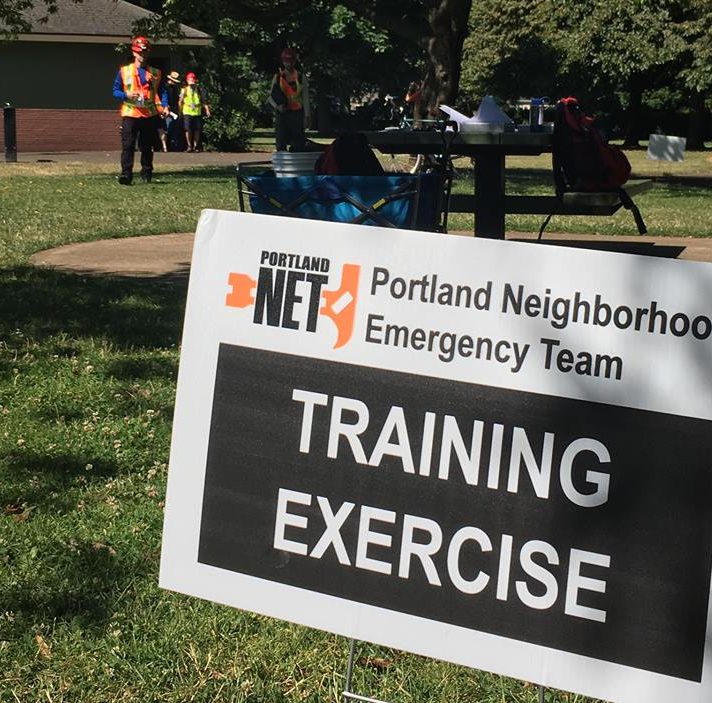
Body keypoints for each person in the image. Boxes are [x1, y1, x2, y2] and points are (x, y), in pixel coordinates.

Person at [112, 36, 168, 185]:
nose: (142, 55)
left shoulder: (155, 72)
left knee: (147, 146)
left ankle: (147, 173)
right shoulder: (124, 71)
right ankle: (126, 174)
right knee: (128, 145)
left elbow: (162, 91)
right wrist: (126, 95)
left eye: (145, 52)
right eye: (139, 52)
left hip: (149, 114)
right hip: (131, 113)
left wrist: (165, 105)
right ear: (134, 52)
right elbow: (115, 91)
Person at [267, 47, 310, 152]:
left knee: (298, 144)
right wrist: (277, 107)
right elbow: (270, 97)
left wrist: (307, 116)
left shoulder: (301, 77)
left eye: (291, 61)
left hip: (297, 114)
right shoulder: (278, 77)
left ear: (294, 61)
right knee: (281, 144)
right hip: (282, 114)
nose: (289, 64)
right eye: (286, 61)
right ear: (283, 62)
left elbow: (305, 98)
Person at [179, 72, 211, 152]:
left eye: (193, 82)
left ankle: (196, 146)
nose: (192, 85)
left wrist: (207, 110)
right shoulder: (184, 89)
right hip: (187, 111)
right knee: (187, 129)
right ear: (187, 81)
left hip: (197, 112)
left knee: (197, 129)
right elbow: (180, 101)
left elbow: (204, 100)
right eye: (190, 82)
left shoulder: (199, 89)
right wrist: (180, 111)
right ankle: (189, 145)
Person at [161, 70, 182, 152]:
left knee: (173, 127)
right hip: (166, 109)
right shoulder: (165, 87)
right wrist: (165, 106)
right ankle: (166, 146)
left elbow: (176, 99)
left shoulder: (174, 88)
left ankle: (172, 146)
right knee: (167, 127)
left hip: (174, 109)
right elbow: (164, 97)